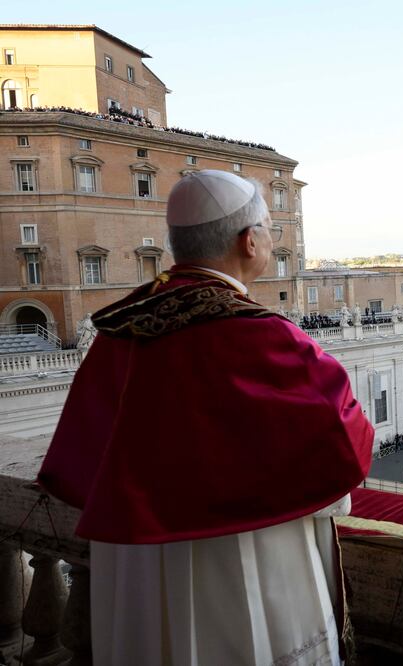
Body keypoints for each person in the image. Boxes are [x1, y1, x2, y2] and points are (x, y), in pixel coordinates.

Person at [36, 170, 375, 666]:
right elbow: (346, 438)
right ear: (249, 241)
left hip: (139, 559)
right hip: (246, 551)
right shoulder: (262, 335)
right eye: (269, 230)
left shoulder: (118, 332)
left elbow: (84, 451)